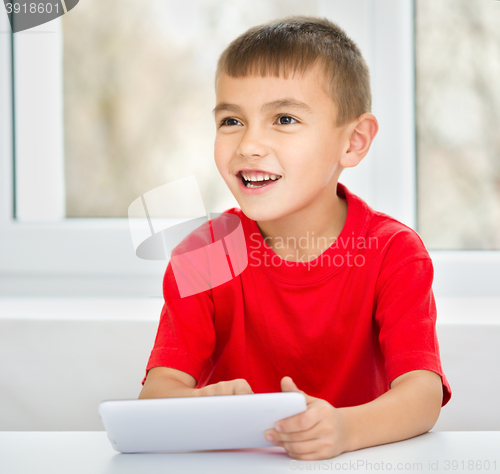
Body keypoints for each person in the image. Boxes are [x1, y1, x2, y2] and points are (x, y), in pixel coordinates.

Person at [139, 15, 452, 461]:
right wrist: (196, 407)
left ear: (354, 141)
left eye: (283, 118)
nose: (249, 145)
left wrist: (343, 430)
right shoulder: (205, 254)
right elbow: (155, 396)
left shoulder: (393, 253)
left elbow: (421, 396)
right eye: (231, 121)